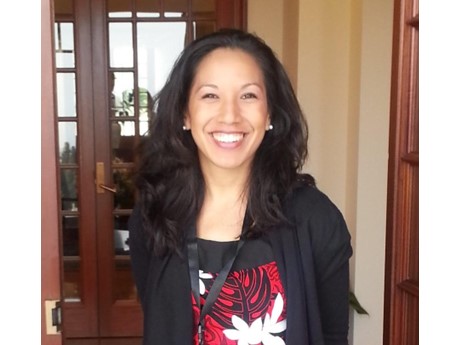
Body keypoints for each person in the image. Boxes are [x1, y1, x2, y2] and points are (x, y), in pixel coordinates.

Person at [128, 28, 353, 345]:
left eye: (248, 95)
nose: (230, 116)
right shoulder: (154, 215)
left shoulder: (315, 218)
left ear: (270, 112)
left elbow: (331, 336)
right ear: (184, 114)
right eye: (210, 95)